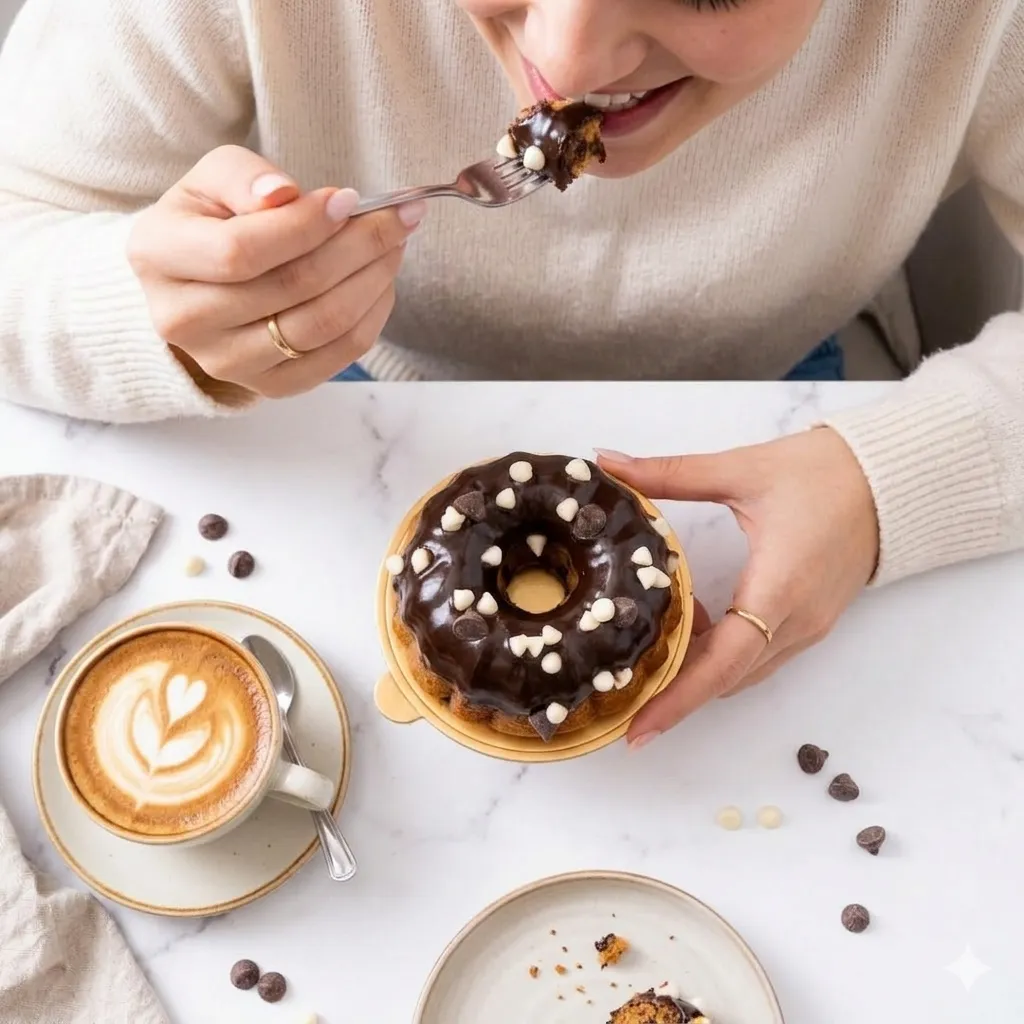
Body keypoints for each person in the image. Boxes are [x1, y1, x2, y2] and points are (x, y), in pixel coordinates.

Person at [0, 0, 1021, 740]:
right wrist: (162, 310)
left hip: (790, 418)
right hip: (323, 422)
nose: (566, 59)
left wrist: (883, 480)